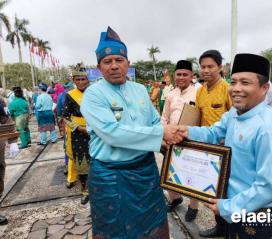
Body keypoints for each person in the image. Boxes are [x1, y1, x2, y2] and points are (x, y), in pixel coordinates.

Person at [175, 53, 272, 239]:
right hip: (237, 203)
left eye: (245, 83)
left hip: (260, 212)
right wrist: (185, 131)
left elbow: (268, 188)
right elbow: (214, 132)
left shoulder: (268, 129)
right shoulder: (235, 112)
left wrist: (227, 207)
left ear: (264, 88)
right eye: (234, 82)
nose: (236, 89)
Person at [80, 26, 181, 239]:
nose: (114, 66)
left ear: (128, 63)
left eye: (119, 60)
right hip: (110, 175)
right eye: (107, 62)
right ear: (99, 67)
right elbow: (112, 133)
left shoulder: (139, 90)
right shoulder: (93, 94)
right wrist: (162, 132)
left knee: (153, 226)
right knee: (116, 229)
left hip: (145, 172)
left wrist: (175, 143)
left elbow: (154, 120)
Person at [195, 50, 232, 238]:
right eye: (203, 67)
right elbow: (198, 118)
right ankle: (220, 227)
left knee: (226, 192)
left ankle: (229, 230)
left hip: (226, 150)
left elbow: (236, 118)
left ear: (220, 67)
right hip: (205, 148)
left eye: (210, 66)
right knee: (212, 191)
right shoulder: (200, 90)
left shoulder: (227, 89)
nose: (206, 70)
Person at [161, 60, 198, 222]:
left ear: (191, 76)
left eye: (185, 74)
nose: (181, 77)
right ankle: (175, 198)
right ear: (174, 76)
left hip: (191, 140)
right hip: (171, 140)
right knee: (169, 172)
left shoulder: (199, 92)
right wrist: (163, 135)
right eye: (179, 74)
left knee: (192, 175)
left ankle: (193, 206)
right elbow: (164, 118)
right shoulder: (170, 94)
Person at [63, 69, 90, 204]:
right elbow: (65, 116)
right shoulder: (69, 95)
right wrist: (79, 128)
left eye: (83, 79)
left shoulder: (95, 93)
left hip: (96, 130)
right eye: (77, 80)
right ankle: (85, 190)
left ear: (88, 80)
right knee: (82, 163)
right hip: (78, 134)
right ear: (73, 81)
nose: (80, 82)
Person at [57, 81, 74, 175]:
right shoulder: (77, 92)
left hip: (67, 121)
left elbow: (59, 111)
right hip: (72, 121)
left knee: (67, 143)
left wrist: (59, 120)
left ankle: (68, 166)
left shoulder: (61, 95)